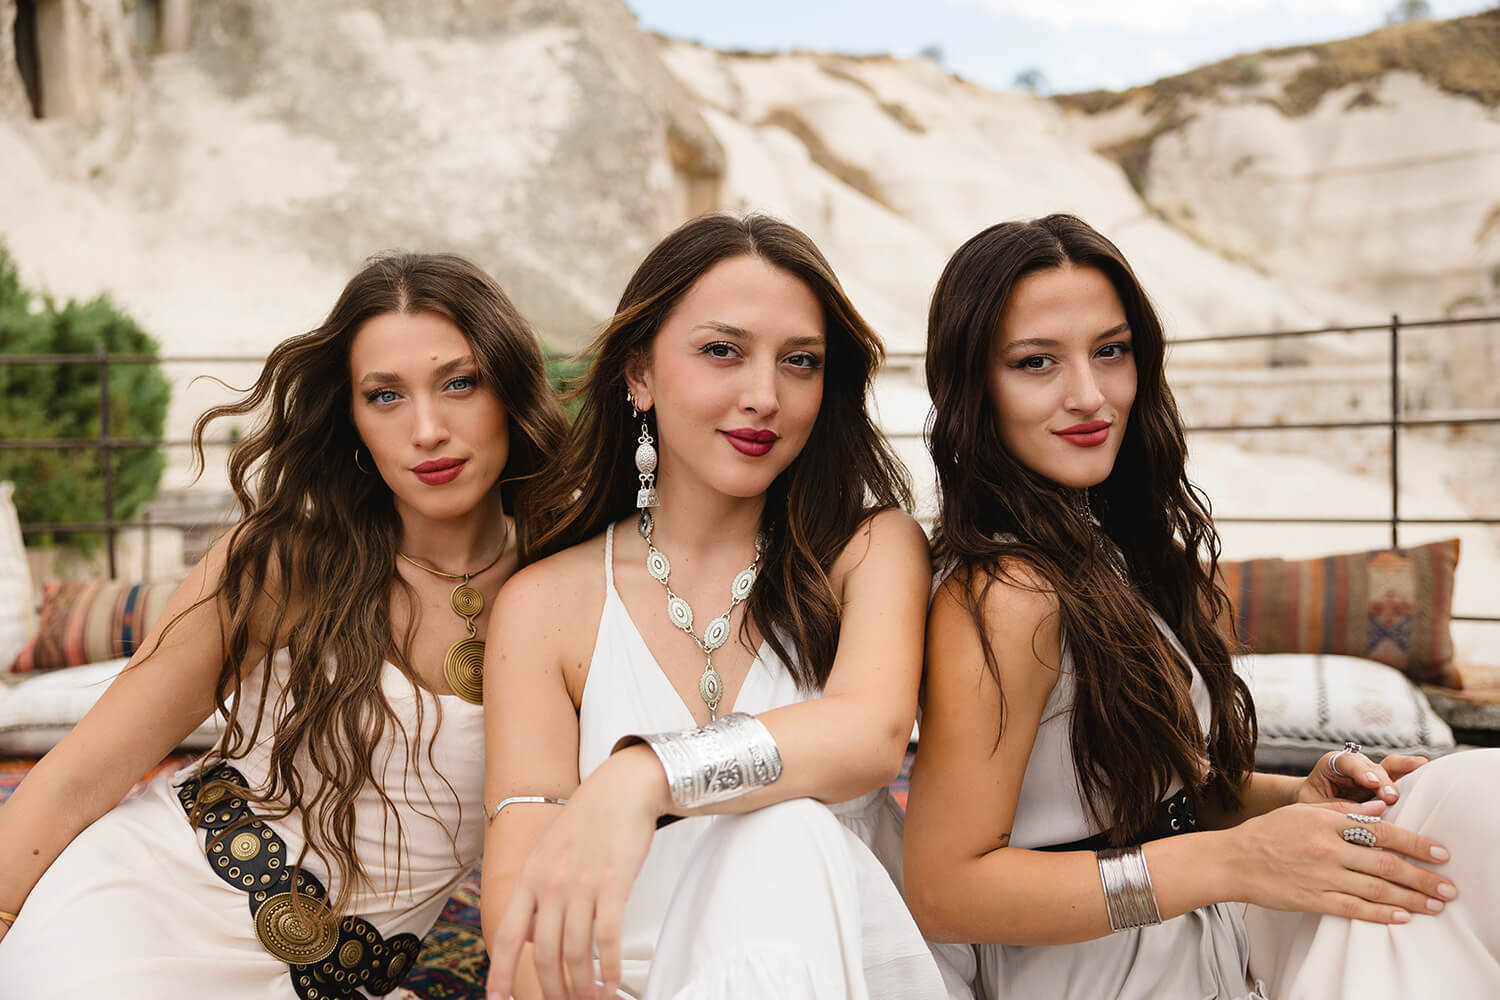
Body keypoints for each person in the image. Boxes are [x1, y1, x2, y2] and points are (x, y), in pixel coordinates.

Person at [905, 213, 1500, 1000]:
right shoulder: (1006, 594)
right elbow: (945, 891)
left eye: (1110, 351)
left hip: (1207, 938)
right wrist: (1232, 861)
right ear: (973, 387)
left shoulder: (1106, 547)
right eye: (1036, 362)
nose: (1089, 395)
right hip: (1101, 976)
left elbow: (1157, 799)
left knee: (1459, 806)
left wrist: (1298, 796)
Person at [0, 252, 566, 999]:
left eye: (460, 383)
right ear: (352, 419)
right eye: (385, 396)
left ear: (510, 389)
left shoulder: (571, 583)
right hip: (138, 910)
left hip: (343, 976)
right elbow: (76, 780)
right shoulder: (287, 560)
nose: (428, 430)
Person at [481, 213, 975, 1000]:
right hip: (623, 985)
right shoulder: (545, 603)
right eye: (723, 351)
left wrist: (646, 774)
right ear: (639, 374)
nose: (765, 396)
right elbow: (523, 906)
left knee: (784, 828)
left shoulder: (868, 550)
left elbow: (871, 735)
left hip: (843, 971)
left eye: (800, 362)